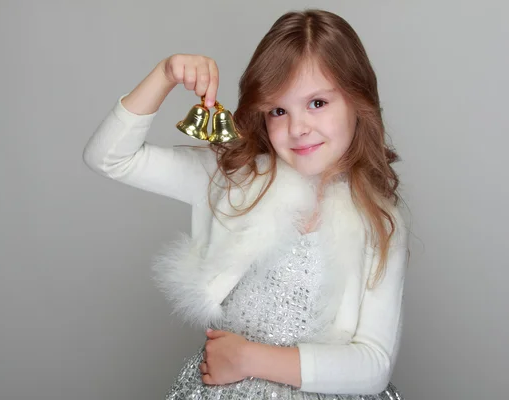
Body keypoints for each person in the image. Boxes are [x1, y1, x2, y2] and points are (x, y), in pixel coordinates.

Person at [82, 8, 409, 400]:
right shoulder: (235, 179)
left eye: (318, 103)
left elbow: (373, 363)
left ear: (358, 100)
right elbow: (109, 157)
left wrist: (251, 359)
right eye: (278, 110)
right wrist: (165, 74)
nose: (298, 127)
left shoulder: (379, 220)